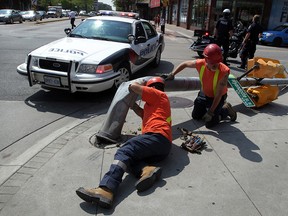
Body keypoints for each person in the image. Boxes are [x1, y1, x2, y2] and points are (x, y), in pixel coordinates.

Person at [76, 77, 172, 209]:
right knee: (129, 158)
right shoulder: (156, 105)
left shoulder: (159, 95)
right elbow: (142, 113)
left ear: (152, 88)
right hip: (161, 146)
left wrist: (133, 85)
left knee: (125, 150)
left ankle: (106, 189)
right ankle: (148, 170)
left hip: (156, 136)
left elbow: (133, 86)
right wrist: (132, 104)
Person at [165, 43, 237, 128]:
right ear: (206, 60)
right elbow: (184, 64)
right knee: (196, 116)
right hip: (205, 94)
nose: (215, 66)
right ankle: (211, 109)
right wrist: (172, 74)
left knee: (210, 124)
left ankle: (225, 110)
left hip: (217, 97)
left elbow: (218, 94)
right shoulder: (200, 63)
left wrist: (210, 112)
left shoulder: (224, 72)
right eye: (212, 63)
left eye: (217, 63)